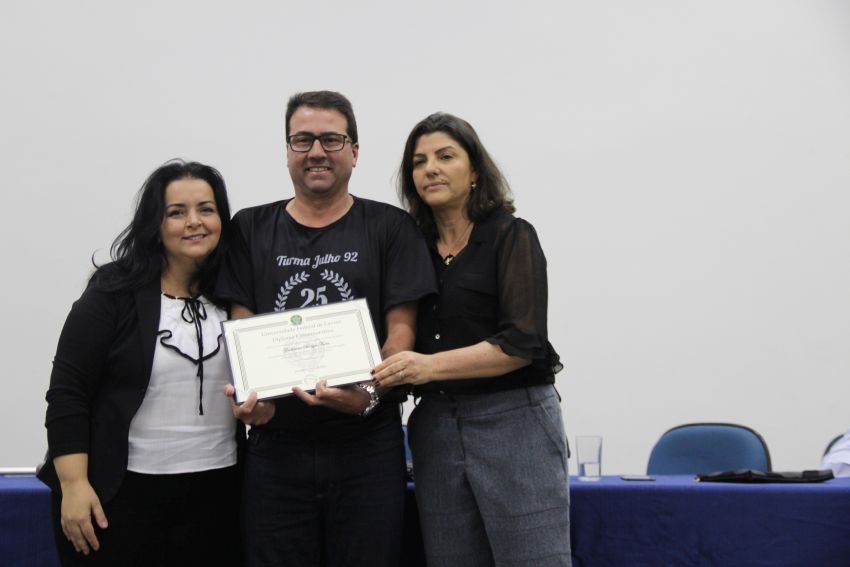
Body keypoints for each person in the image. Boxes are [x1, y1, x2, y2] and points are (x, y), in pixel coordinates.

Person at [216, 90, 436, 566]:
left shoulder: (392, 227)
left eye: (331, 140)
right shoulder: (249, 228)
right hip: (276, 446)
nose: (316, 151)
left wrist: (368, 395)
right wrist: (253, 397)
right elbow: (242, 323)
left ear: (354, 152)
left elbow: (401, 335)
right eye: (303, 140)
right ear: (287, 151)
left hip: (367, 446)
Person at [372, 112, 572, 566]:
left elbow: (522, 342)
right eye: (419, 162)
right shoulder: (410, 248)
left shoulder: (510, 236)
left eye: (446, 156)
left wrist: (427, 366)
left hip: (514, 423)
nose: (431, 169)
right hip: (436, 427)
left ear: (475, 169)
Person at [38, 160, 242, 566]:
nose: (194, 222)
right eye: (176, 212)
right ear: (155, 223)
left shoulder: (237, 293)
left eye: (206, 209)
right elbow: (67, 394)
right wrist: (74, 485)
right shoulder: (113, 292)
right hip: (121, 496)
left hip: (218, 495)